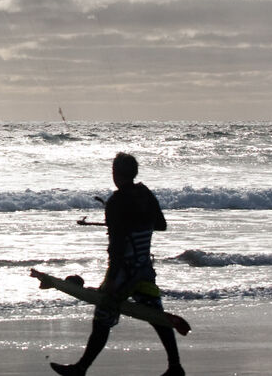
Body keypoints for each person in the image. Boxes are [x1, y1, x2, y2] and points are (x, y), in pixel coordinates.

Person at [51, 152, 183, 376]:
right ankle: (175, 367)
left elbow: (117, 247)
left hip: (124, 272)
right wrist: (137, 224)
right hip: (144, 269)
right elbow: (161, 225)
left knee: (103, 318)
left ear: (116, 174)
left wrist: (112, 278)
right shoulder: (145, 194)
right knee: (156, 317)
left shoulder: (116, 202)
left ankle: (81, 369)